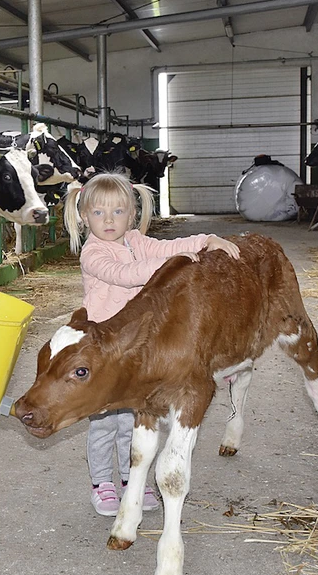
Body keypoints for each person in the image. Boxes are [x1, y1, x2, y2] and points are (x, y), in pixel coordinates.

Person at [63, 172, 240, 516]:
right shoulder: (93, 253)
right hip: (103, 348)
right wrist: (169, 266)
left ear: (131, 216)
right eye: (99, 213)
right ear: (84, 217)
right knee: (103, 421)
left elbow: (169, 246)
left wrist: (206, 240)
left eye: (118, 212)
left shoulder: (135, 241)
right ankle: (102, 485)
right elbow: (126, 274)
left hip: (135, 348)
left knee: (133, 419)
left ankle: (133, 480)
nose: (109, 220)